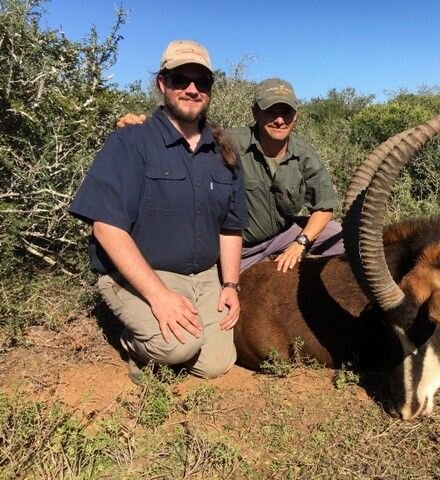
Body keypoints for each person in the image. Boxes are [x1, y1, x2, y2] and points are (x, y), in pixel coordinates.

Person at [69, 40, 248, 384]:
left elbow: (230, 228)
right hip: (144, 273)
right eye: (181, 79)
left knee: (217, 364)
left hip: (205, 277)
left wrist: (230, 285)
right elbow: (106, 228)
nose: (192, 90)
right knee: (177, 348)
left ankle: (169, 335)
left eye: (203, 82)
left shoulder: (224, 153)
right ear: (162, 83)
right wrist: (159, 296)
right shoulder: (130, 142)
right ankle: (131, 340)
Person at [118, 78, 344, 273]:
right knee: (224, 308)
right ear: (255, 112)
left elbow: (324, 207)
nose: (279, 120)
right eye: (271, 111)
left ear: (295, 116)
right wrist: (142, 127)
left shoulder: (304, 155)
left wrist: (300, 243)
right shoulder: (229, 142)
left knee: (350, 241)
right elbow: (182, 136)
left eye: (286, 112)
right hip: (241, 246)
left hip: (285, 233)